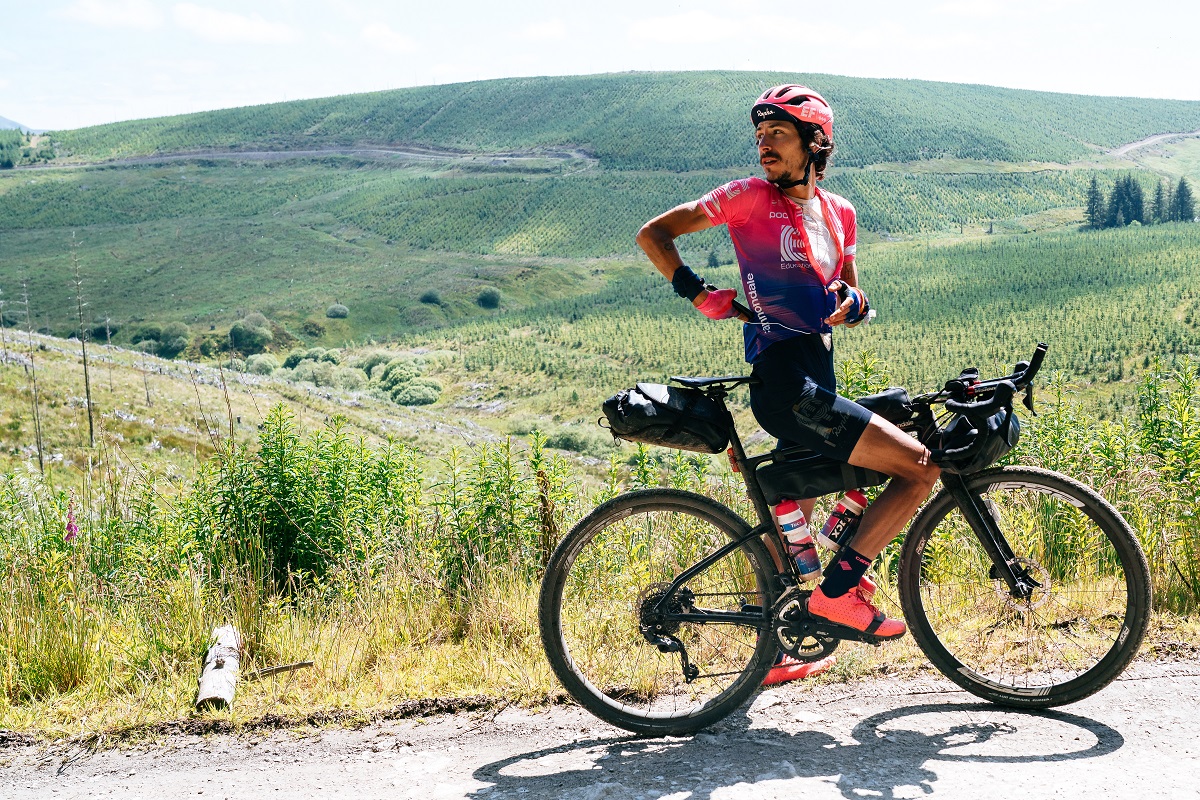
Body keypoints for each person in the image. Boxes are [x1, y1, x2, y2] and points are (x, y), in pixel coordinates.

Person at [635, 84, 940, 685]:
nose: (764, 145)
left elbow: (852, 290)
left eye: (777, 133)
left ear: (814, 142)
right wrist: (695, 292)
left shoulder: (840, 212)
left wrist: (854, 305)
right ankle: (839, 592)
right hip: (783, 381)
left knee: (796, 505)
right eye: (760, 135)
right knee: (920, 468)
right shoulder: (748, 196)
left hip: (818, 370)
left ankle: (779, 644)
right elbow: (654, 234)